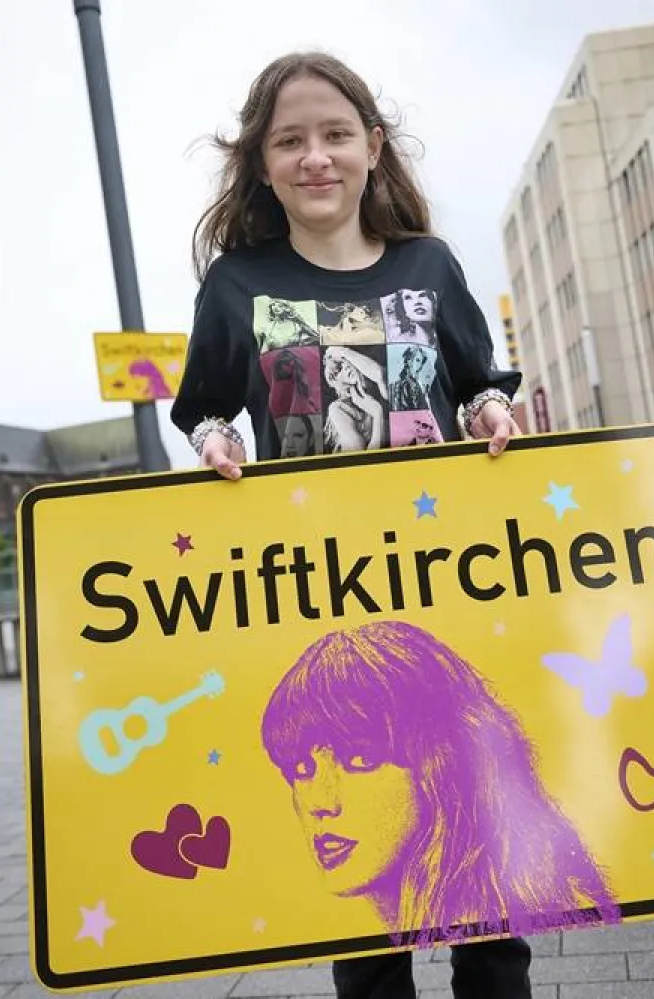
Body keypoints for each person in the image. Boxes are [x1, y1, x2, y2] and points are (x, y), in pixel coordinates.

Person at [170, 50, 527, 999]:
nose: (315, 157)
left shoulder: (430, 265)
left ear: (372, 147)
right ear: (262, 164)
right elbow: (202, 408)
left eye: (334, 135)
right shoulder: (236, 284)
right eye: (290, 140)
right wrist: (214, 442)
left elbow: (478, 382)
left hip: (445, 597)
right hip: (319, 610)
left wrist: (492, 410)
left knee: (482, 883)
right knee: (367, 918)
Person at [261, 621, 621, 949]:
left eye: (360, 760)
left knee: (492, 962)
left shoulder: (525, 898)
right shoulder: (345, 925)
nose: (320, 803)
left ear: (443, 765)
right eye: (302, 768)